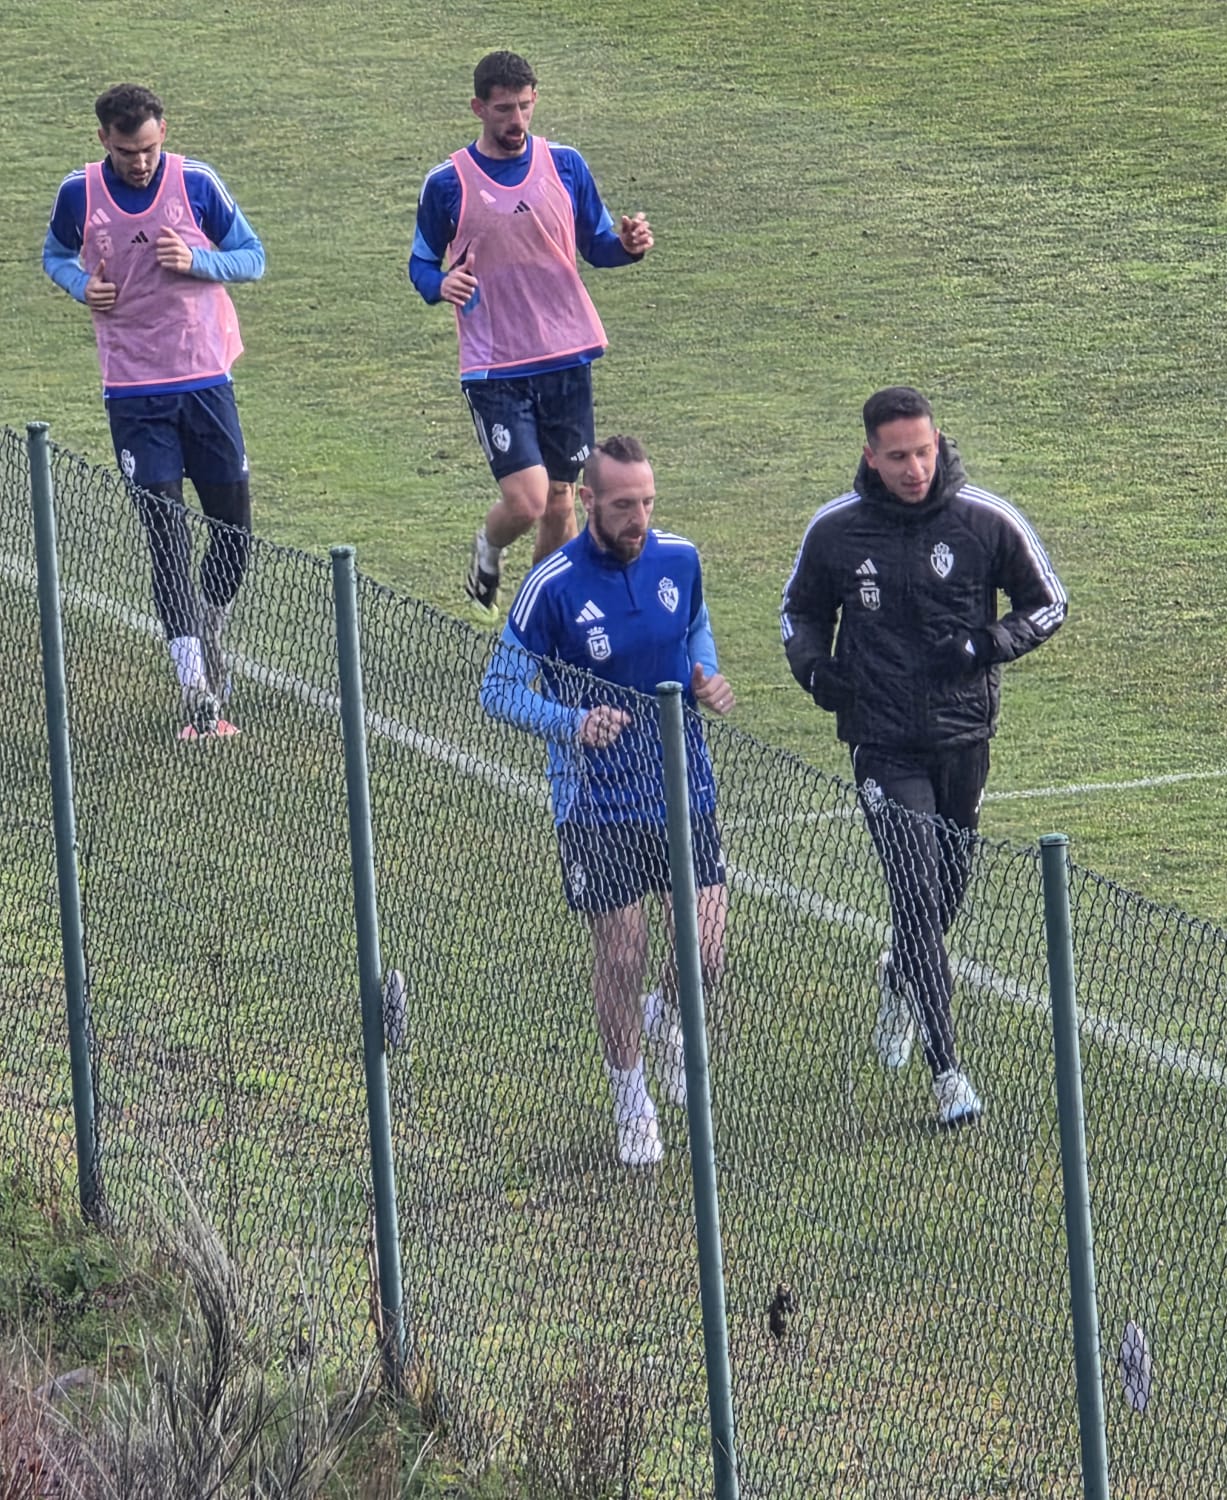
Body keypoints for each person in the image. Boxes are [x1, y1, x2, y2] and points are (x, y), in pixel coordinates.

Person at [780, 387, 1068, 1128]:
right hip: (881, 745)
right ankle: (948, 1072)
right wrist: (815, 671)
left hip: (963, 737)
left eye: (924, 450)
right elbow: (798, 612)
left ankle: (900, 974)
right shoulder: (836, 531)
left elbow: (1049, 603)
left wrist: (988, 644)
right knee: (912, 888)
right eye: (898, 455)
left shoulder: (983, 518)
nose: (914, 468)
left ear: (939, 442)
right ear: (870, 457)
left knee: (944, 891)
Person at [480, 434, 735, 1168]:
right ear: (588, 500)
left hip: (684, 785)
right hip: (596, 801)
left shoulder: (678, 559)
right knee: (622, 952)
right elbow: (497, 690)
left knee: (707, 956)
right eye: (625, 505)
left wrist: (705, 676)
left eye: (648, 502)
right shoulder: (551, 585)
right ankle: (632, 1102)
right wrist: (572, 724)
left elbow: (693, 630)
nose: (640, 518)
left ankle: (665, 1017)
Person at [43, 83, 267, 738]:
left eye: (146, 149)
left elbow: (253, 257)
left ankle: (210, 622)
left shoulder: (197, 184)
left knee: (233, 528)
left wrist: (196, 261)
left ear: (163, 131)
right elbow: (55, 254)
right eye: (124, 151)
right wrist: (83, 285)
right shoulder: (79, 194)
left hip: (205, 380)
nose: (138, 163)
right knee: (166, 534)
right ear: (103, 141)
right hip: (134, 392)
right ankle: (196, 689)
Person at [409, 49, 655, 619]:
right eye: (503, 110)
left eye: (524, 107)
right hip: (496, 367)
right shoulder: (448, 183)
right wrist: (438, 285)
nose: (516, 121)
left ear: (535, 100)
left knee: (562, 504)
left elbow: (597, 244)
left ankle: (537, 625)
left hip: (567, 355)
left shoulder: (565, 165)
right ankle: (489, 548)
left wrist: (630, 248)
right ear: (478, 108)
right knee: (527, 500)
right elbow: (421, 262)